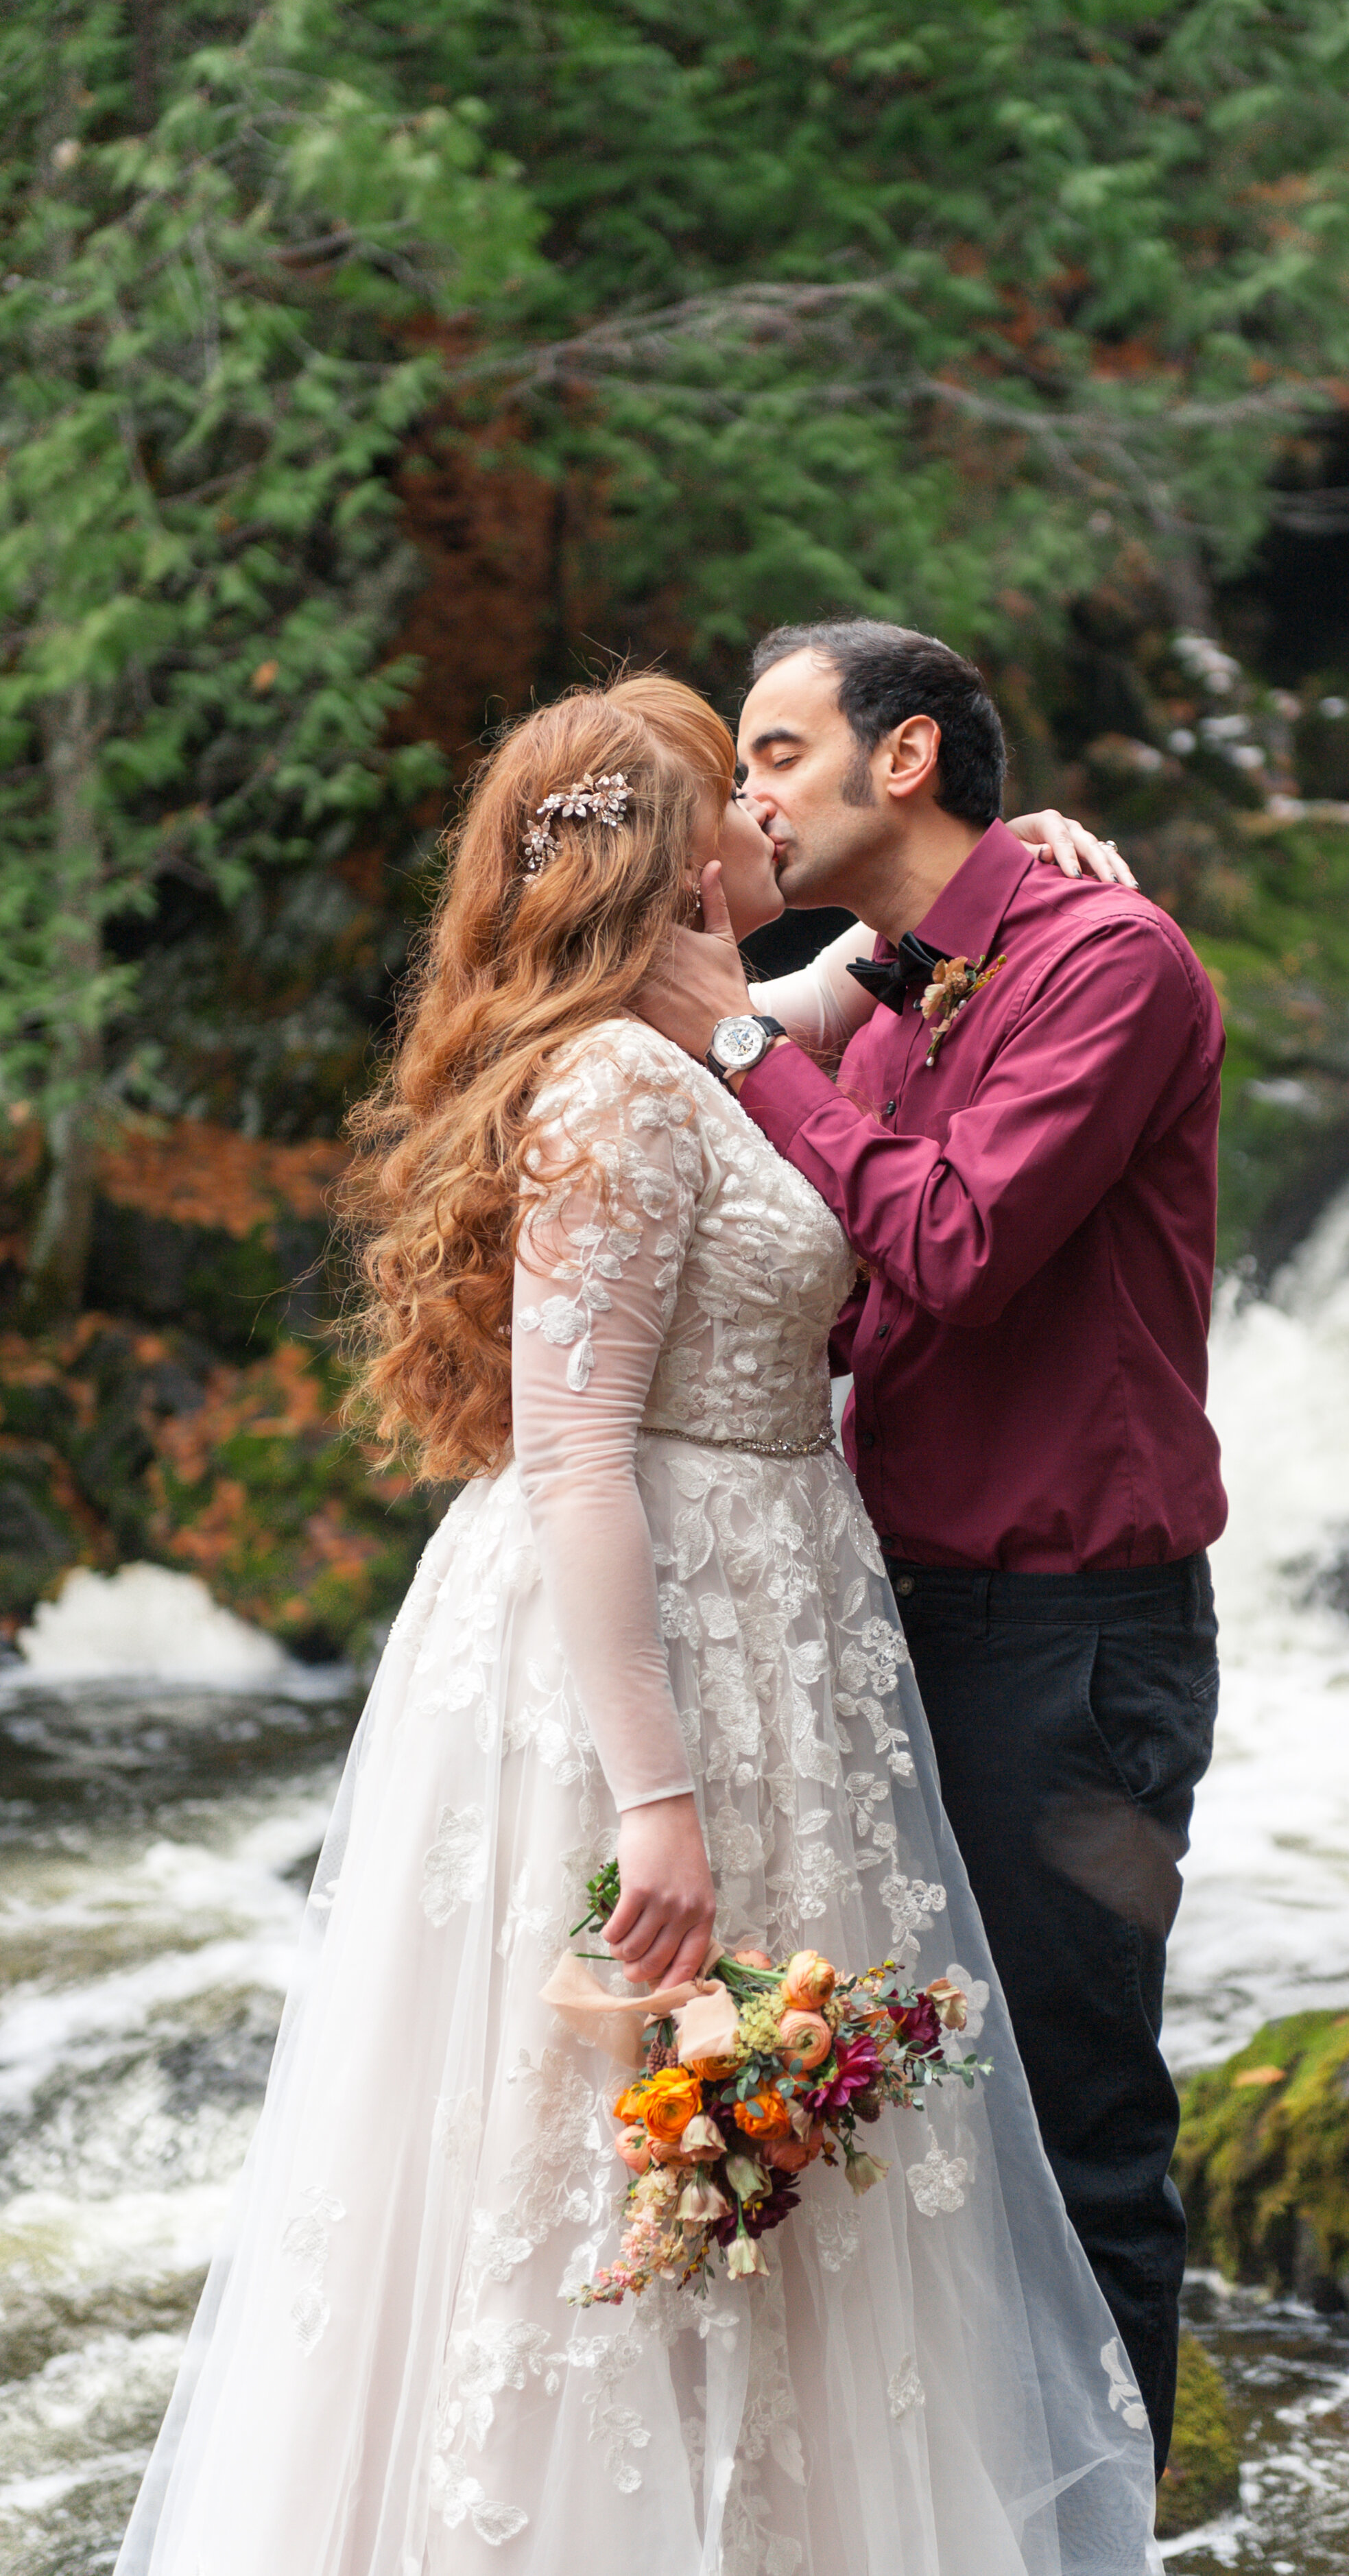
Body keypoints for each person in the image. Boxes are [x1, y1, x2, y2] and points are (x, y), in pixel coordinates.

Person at [115, 672, 1163, 2576]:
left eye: (783, 756)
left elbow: (863, 985)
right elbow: (577, 1453)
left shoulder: (708, 1039)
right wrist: (654, 1795)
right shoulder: (610, 1080)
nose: (772, 805)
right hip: (646, 1647)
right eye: (739, 778)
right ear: (681, 851)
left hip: (779, 1630)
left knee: (762, 2130)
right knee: (600, 2129)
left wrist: (1034, 875)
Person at [636, 622, 1226, 2468]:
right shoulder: (897, 978)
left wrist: (735, 1037)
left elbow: (959, 1250)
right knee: (917, 2121)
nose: (748, 794)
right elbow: (831, 1292)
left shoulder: (1104, 959)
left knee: (1074, 2128)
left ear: (901, 760)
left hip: (1071, 1641)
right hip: (889, 1614)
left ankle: (1106, 2524)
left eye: (776, 753)